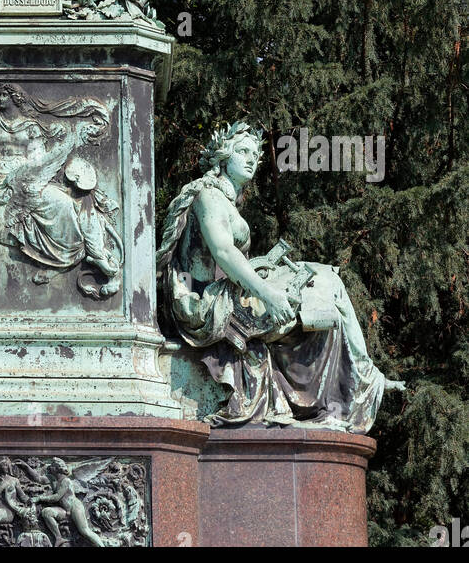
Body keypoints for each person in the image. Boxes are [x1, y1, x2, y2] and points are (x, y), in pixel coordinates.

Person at [156, 120, 405, 431]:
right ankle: (353, 389)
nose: (250, 159)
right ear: (222, 155)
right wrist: (269, 294)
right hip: (201, 304)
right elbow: (224, 253)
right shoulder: (209, 196)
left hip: (221, 294)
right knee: (314, 295)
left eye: (254, 153)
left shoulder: (227, 202)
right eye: (242, 151)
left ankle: (365, 377)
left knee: (325, 277)